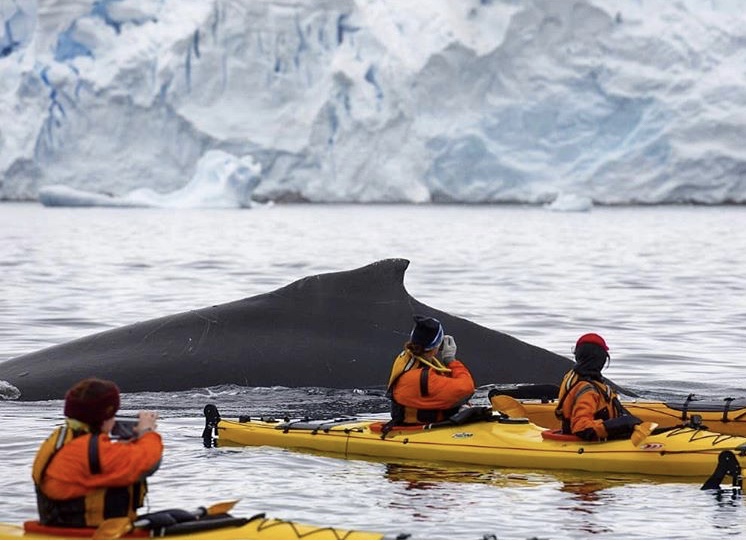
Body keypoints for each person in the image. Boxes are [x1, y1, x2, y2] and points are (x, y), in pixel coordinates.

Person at [32, 377, 163, 527]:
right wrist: (147, 432)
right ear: (104, 417)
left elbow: (103, 462)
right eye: (113, 414)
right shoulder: (89, 450)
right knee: (173, 522)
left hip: (65, 524)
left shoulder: (63, 437)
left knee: (179, 517)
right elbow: (148, 463)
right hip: (90, 532)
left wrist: (129, 443)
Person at [386, 314, 476, 425]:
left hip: (405, 419)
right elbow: (467, 388)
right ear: (436, 346)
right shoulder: (425, 378)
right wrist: (450, 360)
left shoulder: (406, 358)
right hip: (418, 429)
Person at [554, 333, 641, 441]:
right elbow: (581, 428)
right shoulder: (587, 389)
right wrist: (620, 424)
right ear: (602, 360)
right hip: (588, 443)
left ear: (578, 356)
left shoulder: (576, 377)